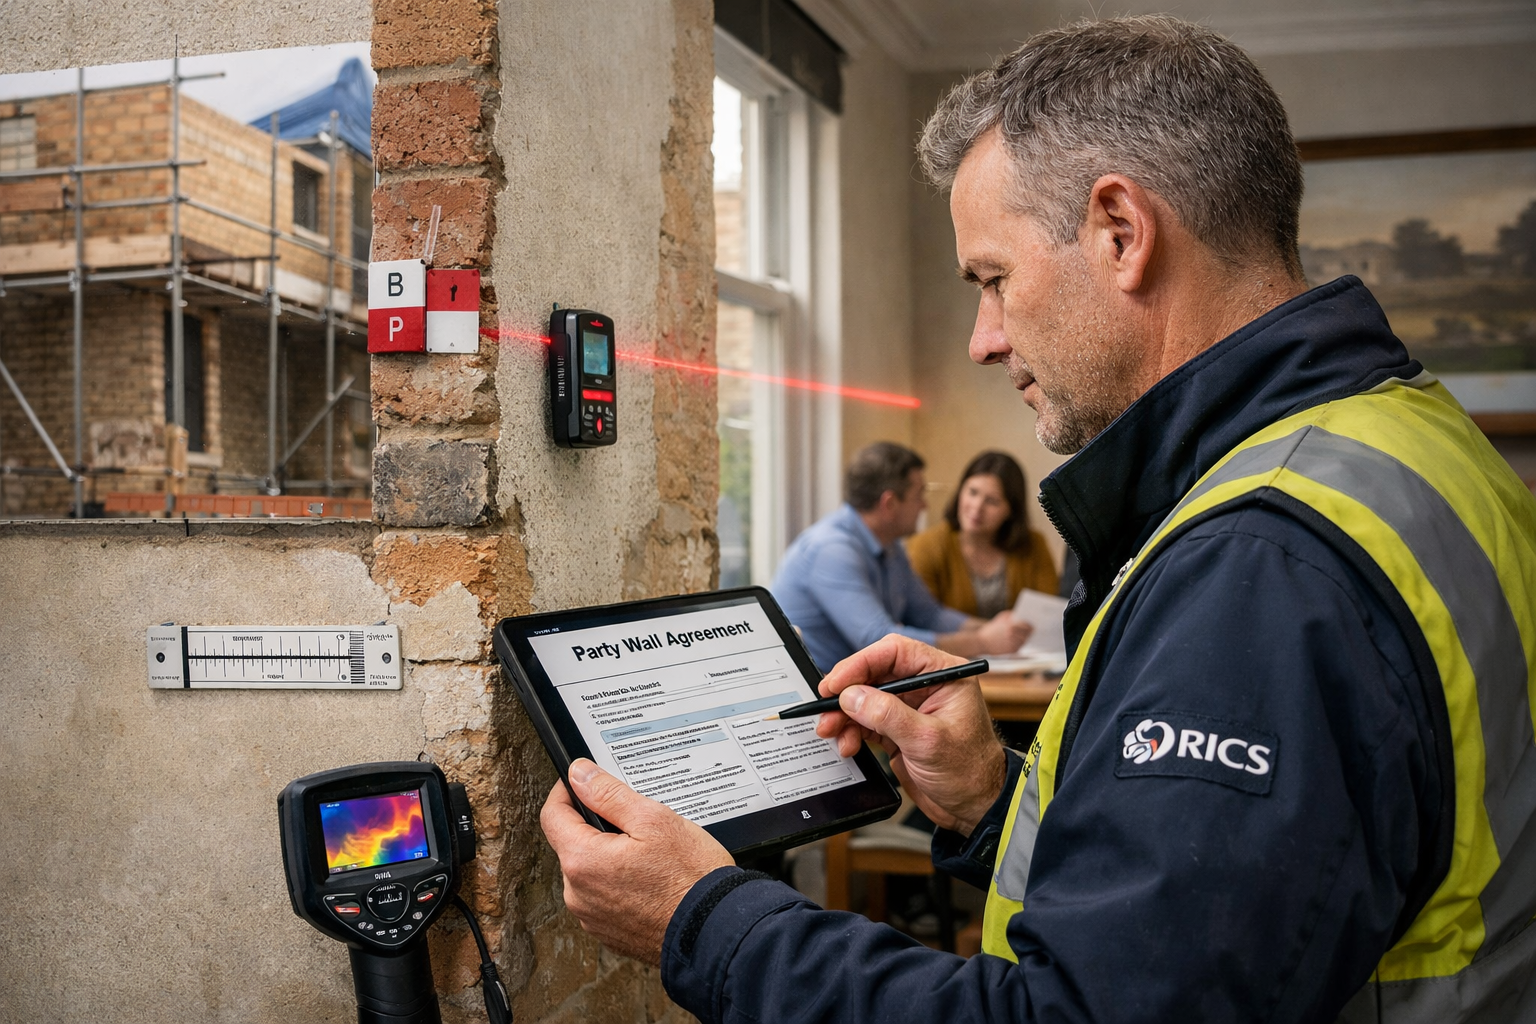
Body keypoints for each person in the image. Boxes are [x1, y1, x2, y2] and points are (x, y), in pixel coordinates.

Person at [540, 15, 1536, 1023]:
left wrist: (705, 923)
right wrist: (988, 798)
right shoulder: (1413, 440)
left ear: (1120, 231)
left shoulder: (1261, 567)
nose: (983, 338)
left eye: (994, 280)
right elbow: (1242, 897)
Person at [766, 441, 1032, 670]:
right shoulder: (831, 549)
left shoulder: (891, 547)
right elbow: (878, 639)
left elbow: (929, 615)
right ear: (890, 503)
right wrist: (983, 641)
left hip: (851, 692)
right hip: (818, 699)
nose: (924, 505)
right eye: (919, 495)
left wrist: (995, 628)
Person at [907, 450, 1057, 618]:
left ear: (1011, 510)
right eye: (972, 492)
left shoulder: (1034, 544)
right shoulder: (925, 546)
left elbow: (1047, 611)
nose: (977, 507)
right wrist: (989, 632)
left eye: (992, 501)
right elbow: (923, 617)